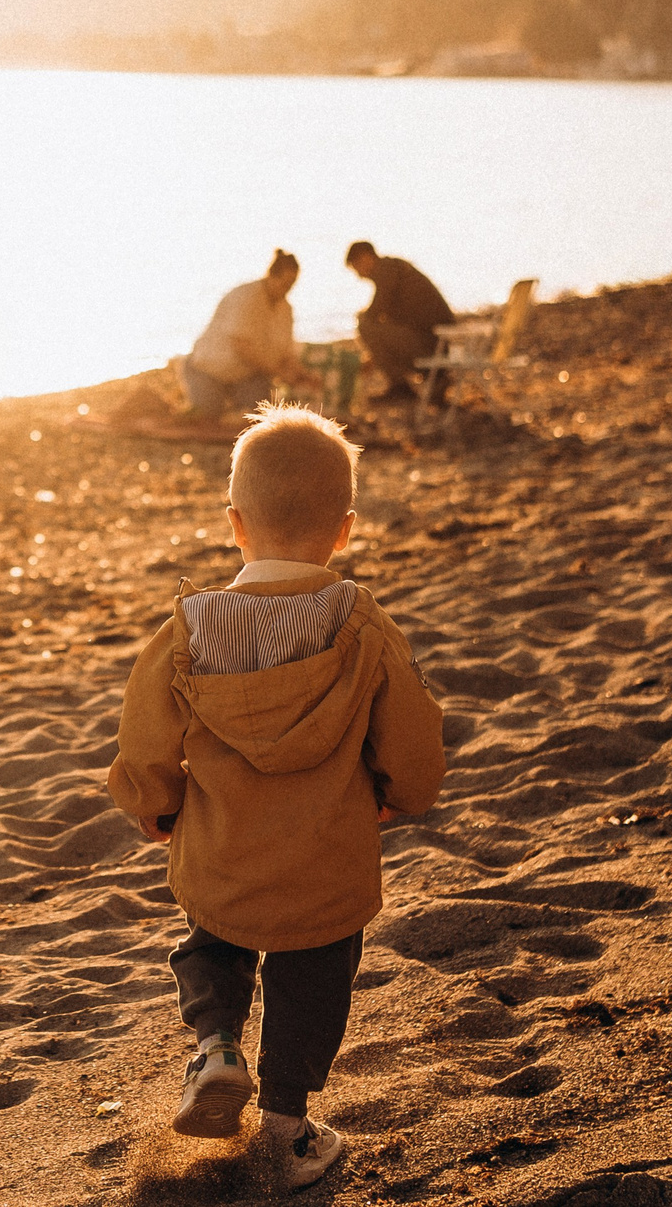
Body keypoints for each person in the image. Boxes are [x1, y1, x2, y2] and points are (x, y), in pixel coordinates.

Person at [106, 405, 446, 1187]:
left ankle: (217, 1044)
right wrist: (402, 794)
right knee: (314, 974)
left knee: (212, 938)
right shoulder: (361, 623)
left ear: (235, 523)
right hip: (327, 861)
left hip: (224, 853)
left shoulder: (190, 628)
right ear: (344, 530)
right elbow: (413, 735)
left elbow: (144, 738)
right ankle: (287, 1128)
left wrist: (155, 804)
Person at [179, 249, 315, 420]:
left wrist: (303, 375)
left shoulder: (285, 309)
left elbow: (286, 354)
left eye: (291, 286)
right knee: (208, 415)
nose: (287, 290)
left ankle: (234, 406)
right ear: (271, 276)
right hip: (208, 370)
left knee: (258, 414)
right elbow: (242, 347)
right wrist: (280, 373)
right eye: (285, 284)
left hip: (245, 378)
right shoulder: (246, 297)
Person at [345, 241, 454, 403]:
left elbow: (374, 314)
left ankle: (400, 386)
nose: (359, 276)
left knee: (365, 325)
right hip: (436, 342)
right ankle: (405, 384)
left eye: (356, 267)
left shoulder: (386, 271)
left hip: (431, 346)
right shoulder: (394, 268)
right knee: (372, 326)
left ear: (366, 258)